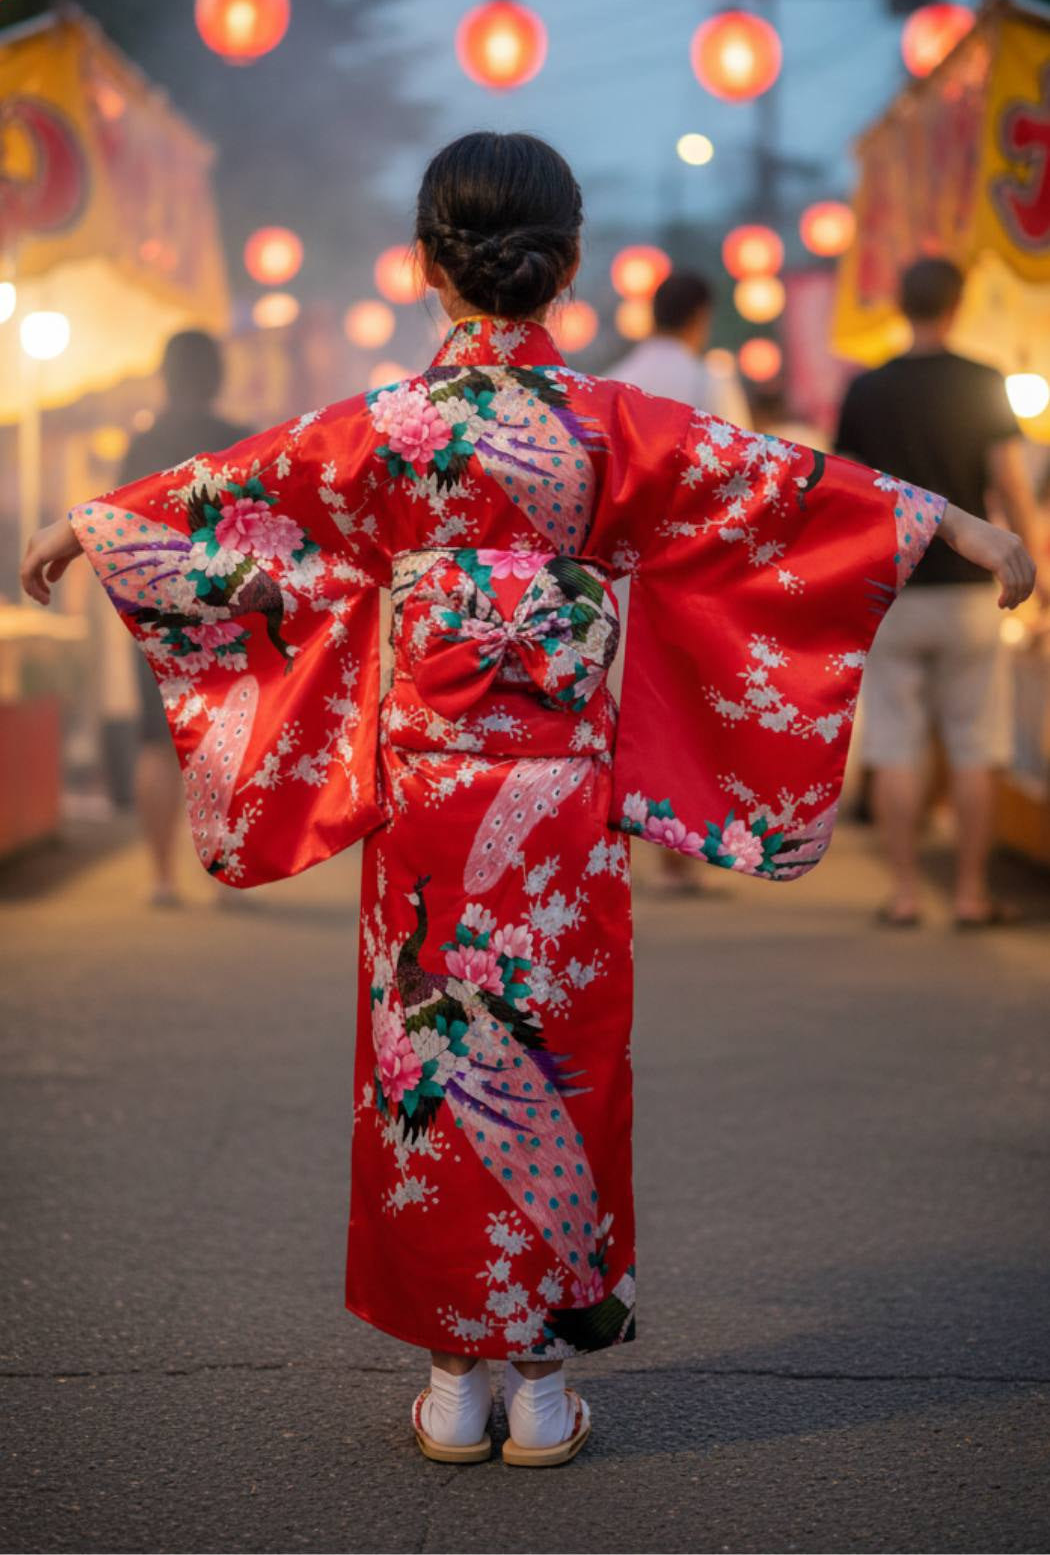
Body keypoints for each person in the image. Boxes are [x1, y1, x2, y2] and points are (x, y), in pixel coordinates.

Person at [22, 134, 1034, 1468]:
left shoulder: (387, 425)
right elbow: (769, 488)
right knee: (564, 1062)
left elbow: (248, 488)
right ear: (562, 265)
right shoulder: (612, 422)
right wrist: (951, 522)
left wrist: (101, 525)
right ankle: (544, 1381)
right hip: (558, 800)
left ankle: (454, 1375)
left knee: (423, 1065)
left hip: (428, 796)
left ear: (428, 266)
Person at [835, 257, 1046, 928]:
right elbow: (1012, 490)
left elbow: (850, 497)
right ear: (957, 305)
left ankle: (902, 893)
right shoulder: (984, 383)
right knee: (975, 740)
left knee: (894, 741)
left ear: (900, 305)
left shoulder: (866, 389)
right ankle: (969, 894)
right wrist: (1034, 576)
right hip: (971, 594)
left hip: (891, 592)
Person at [606, 270, 751, 894]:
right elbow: (743, 471)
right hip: (690, 570)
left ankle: (624, 842)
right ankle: (676, 846)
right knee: (681, 710)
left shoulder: (612, 381)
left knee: (623, 707)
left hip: (619, 570)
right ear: (700, 317)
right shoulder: (707, 380)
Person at [121, 332, 250, 905]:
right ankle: (225, 881)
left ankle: (160, 878)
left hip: (152, 606)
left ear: (164, 375)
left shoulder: (141, 444)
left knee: (156, 745)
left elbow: (119, 530)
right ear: (217, 376)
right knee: (222, 743)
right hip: (219, 608)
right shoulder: (236, 441)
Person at [606, 268, 751, 427]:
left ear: (653, 314)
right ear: (700, 316)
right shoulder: (710, 383)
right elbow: (738, 448)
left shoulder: (614, 380)